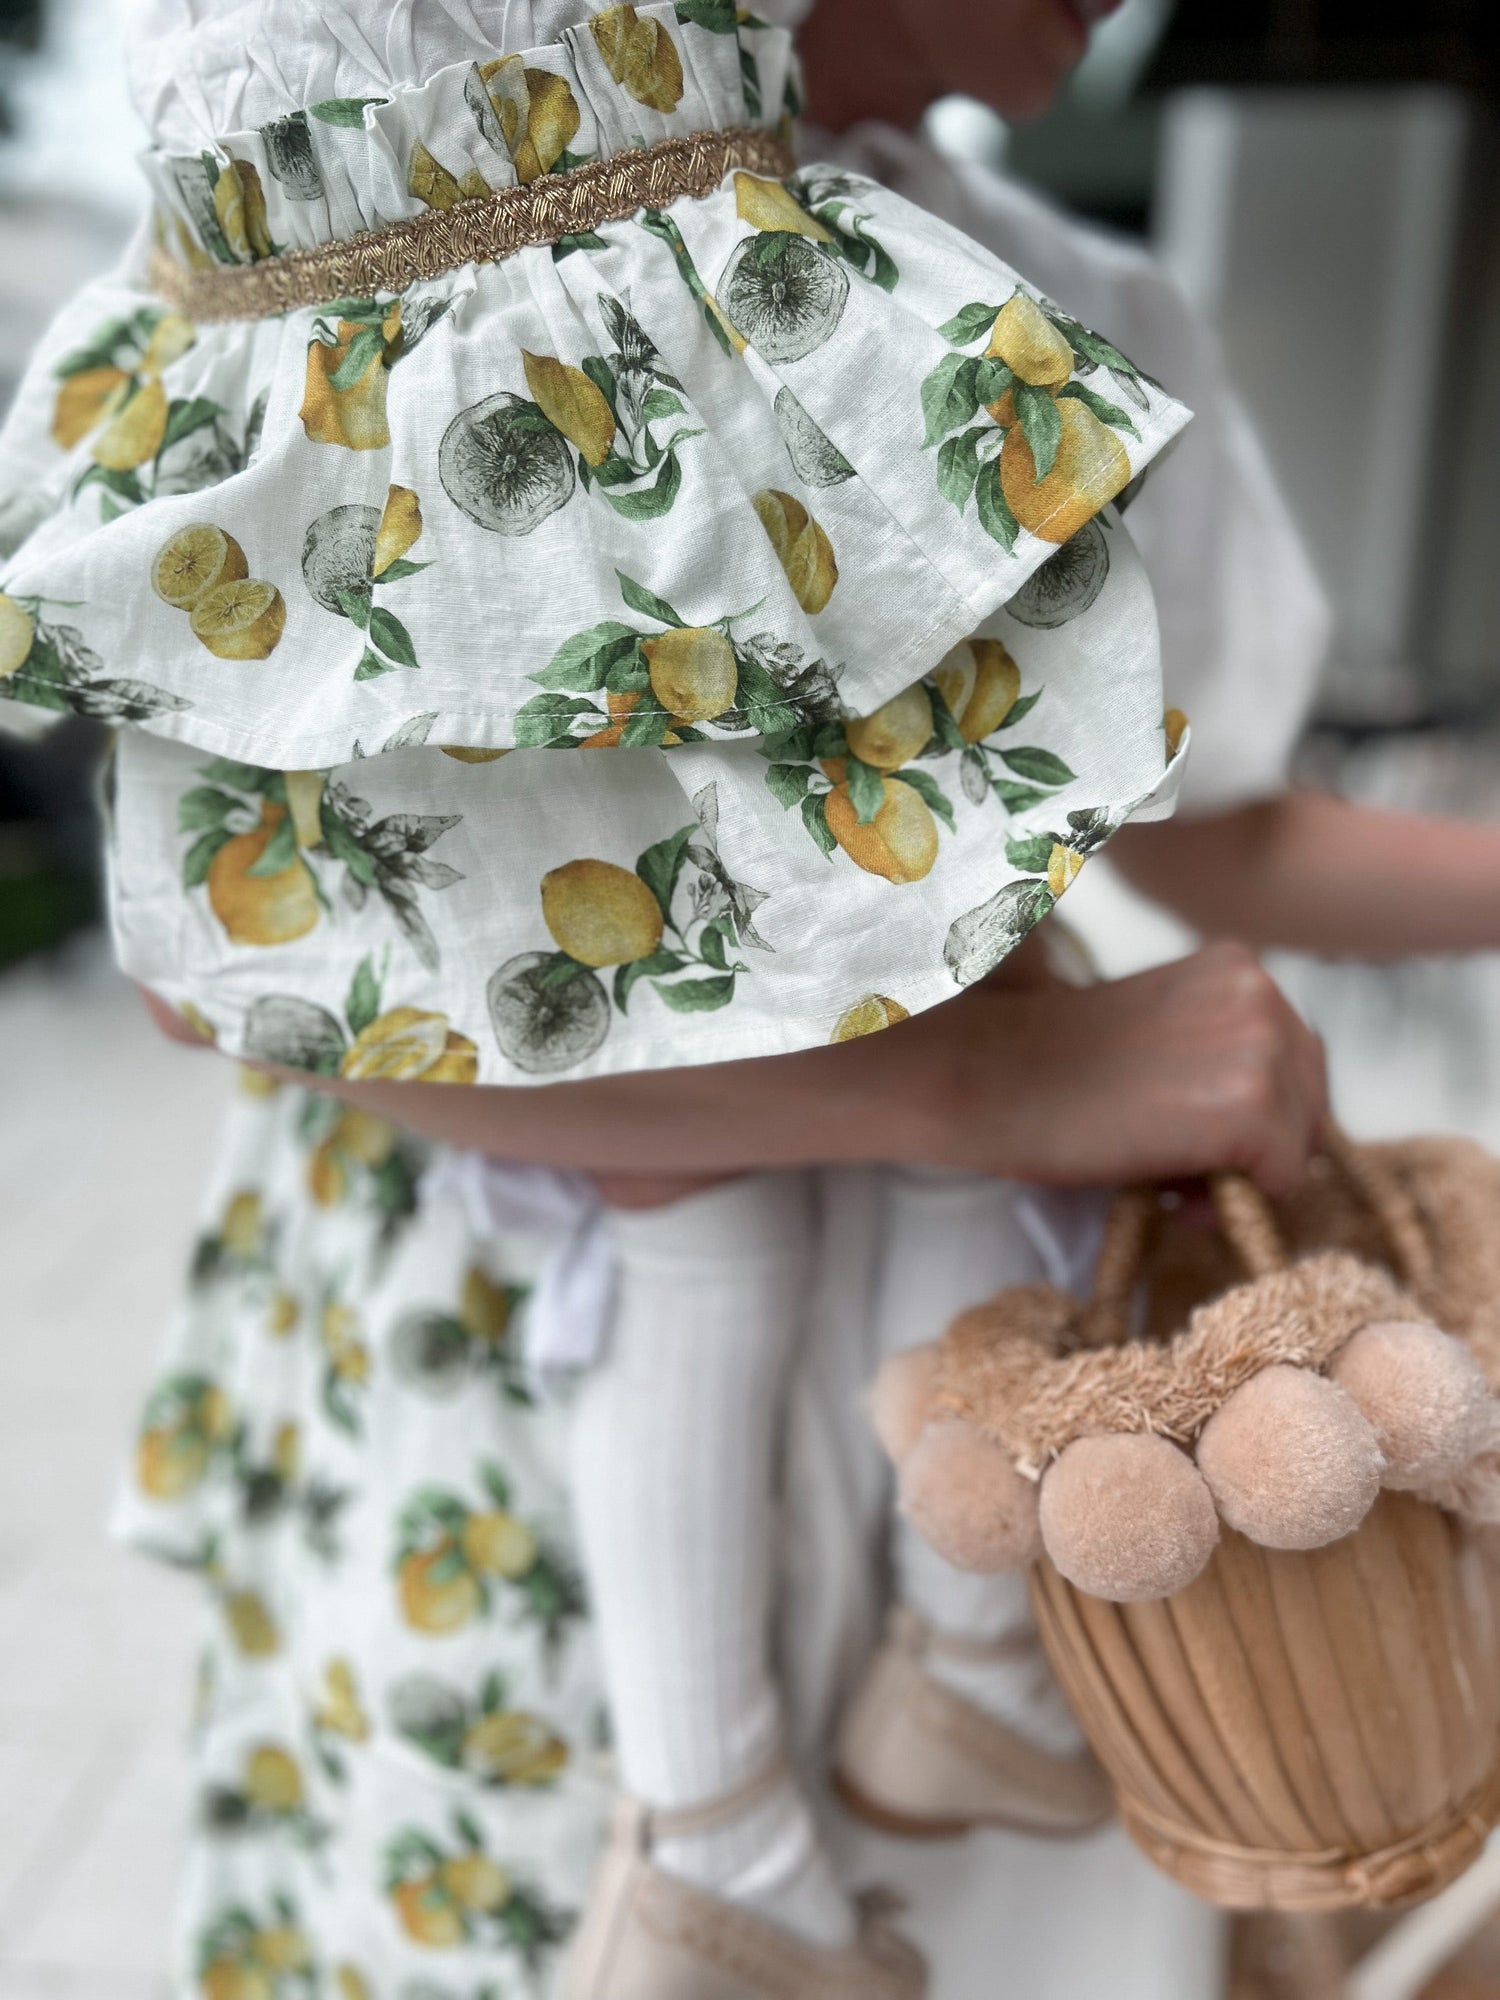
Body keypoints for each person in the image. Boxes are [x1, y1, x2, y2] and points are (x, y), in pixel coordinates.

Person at [0, 6, 1484, 2000]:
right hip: (517, 1375)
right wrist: (983, 1082)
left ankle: (922, 1708)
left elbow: (1215, 827)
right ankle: (721, 1837)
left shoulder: (1075, 298)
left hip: (1006, 1408)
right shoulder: (400, 279)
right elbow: (250, 975)